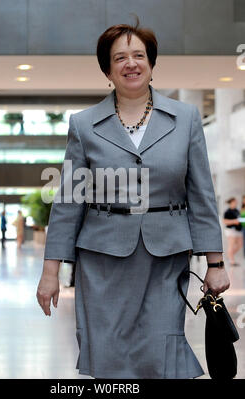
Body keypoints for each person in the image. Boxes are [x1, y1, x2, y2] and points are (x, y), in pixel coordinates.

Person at [37, 19, 230, 379]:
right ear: (107, 70)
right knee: (108, 349)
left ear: (152, 64)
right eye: (120, 57)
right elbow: (68, 202)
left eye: (139, 55)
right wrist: (51, 272)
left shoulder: (185, 119)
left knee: (161, 347)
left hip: (165, 257)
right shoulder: (84, 125)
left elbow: (201, 195)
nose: (131, 63)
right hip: (102, 260)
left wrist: (215, 264)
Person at [223, 197, 243, 265]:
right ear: (231, 203)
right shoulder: (227, 212)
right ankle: (232, 261)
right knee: (231, 245)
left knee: (240, 245)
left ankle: (230, 255)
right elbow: (225, 222)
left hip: (238, 230)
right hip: (230, 230)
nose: (236, 203)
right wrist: (234, 221)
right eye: (234, 202)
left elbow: (239, 219)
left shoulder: (237, 210)